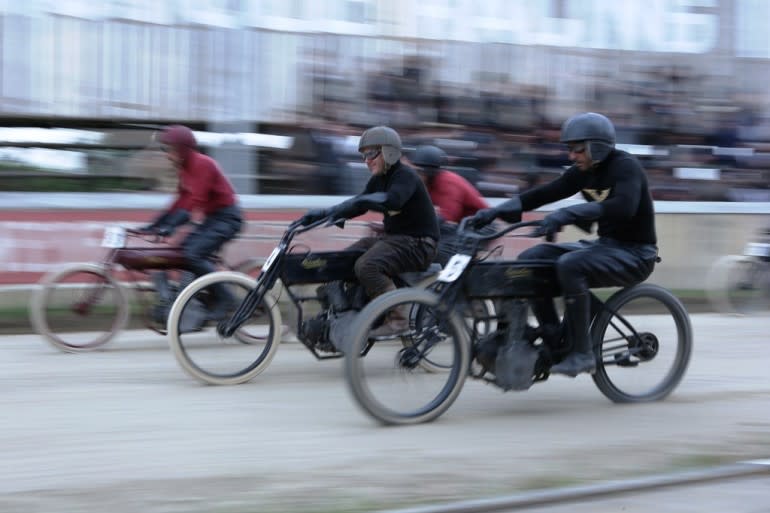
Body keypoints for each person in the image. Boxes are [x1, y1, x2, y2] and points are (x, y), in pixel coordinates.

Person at [470, 112, 658, 377]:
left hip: (636, 253)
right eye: (570, 150)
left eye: (577, 150)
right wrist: (494, 211)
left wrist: (567, 214)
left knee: (570, 265)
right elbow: (545, 193)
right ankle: (552, 334)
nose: (572, 156)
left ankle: (583, 354)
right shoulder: (584, 171)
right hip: (605, 246)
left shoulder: (625, 167)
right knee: (532, 258)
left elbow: (623, 208)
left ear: (597, 146)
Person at [298, 126, 439, 336]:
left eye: (371, 153)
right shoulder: (378, 179)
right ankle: (349, 310)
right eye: (364, 155)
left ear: (389, 151)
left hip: (418, 244)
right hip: (396, 240)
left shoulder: (405, 176)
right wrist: (323, 214)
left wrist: (363, 200)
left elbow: (393, 200)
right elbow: (358, 204)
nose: (366, 160)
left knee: (367, 266)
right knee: (343, 258)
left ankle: (397, 319)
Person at [141, 124, 243, 320]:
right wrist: (154, 225)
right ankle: (194, 299)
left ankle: (226, 298)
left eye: (169, 149)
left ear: (183, 149)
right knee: (182, 254)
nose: (167, 154)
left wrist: (171, 226)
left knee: (193, 254)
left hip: (227, 219)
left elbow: (194, 202)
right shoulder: (185, 169)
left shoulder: (203, 164)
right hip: (212, 220)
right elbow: (180, 201)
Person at [410, 144, 490, 265]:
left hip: (482, 225)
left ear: (430, 173)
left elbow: (446, 219)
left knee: (441, 248)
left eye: (418, 171)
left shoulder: (448, 183)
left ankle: (453, 277)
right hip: (462, 224)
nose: (414, 175)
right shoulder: (424, 184)